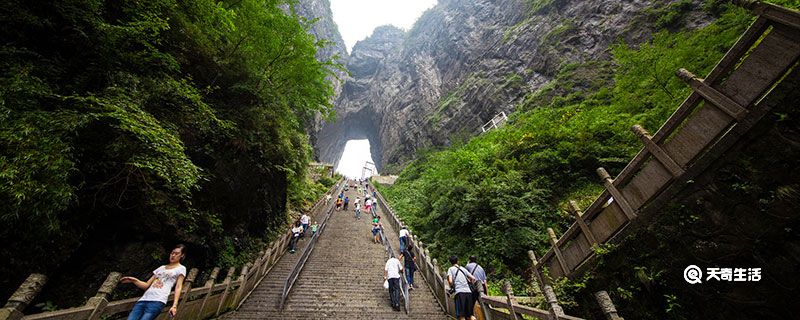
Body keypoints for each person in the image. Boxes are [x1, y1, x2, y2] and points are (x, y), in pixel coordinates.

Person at [121, 244, 187, 320]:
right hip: (143, 300)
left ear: (182, 255)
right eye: (172, 253)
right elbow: (146, 285)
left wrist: (174, 305)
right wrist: (134, 280)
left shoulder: (181, 268)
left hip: (158, 301)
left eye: (176, 253)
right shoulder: (161, 268)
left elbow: (178, 287)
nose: (173, 255)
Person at [448, 255, 477, 320]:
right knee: (470, 315)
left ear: (450, 262)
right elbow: (473, 278)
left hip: (460, 293)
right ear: (458, 261)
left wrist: (453, 286)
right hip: (469, 293)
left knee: (462, 316)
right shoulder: (463, 269)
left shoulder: (450, 269)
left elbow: (450, 281)